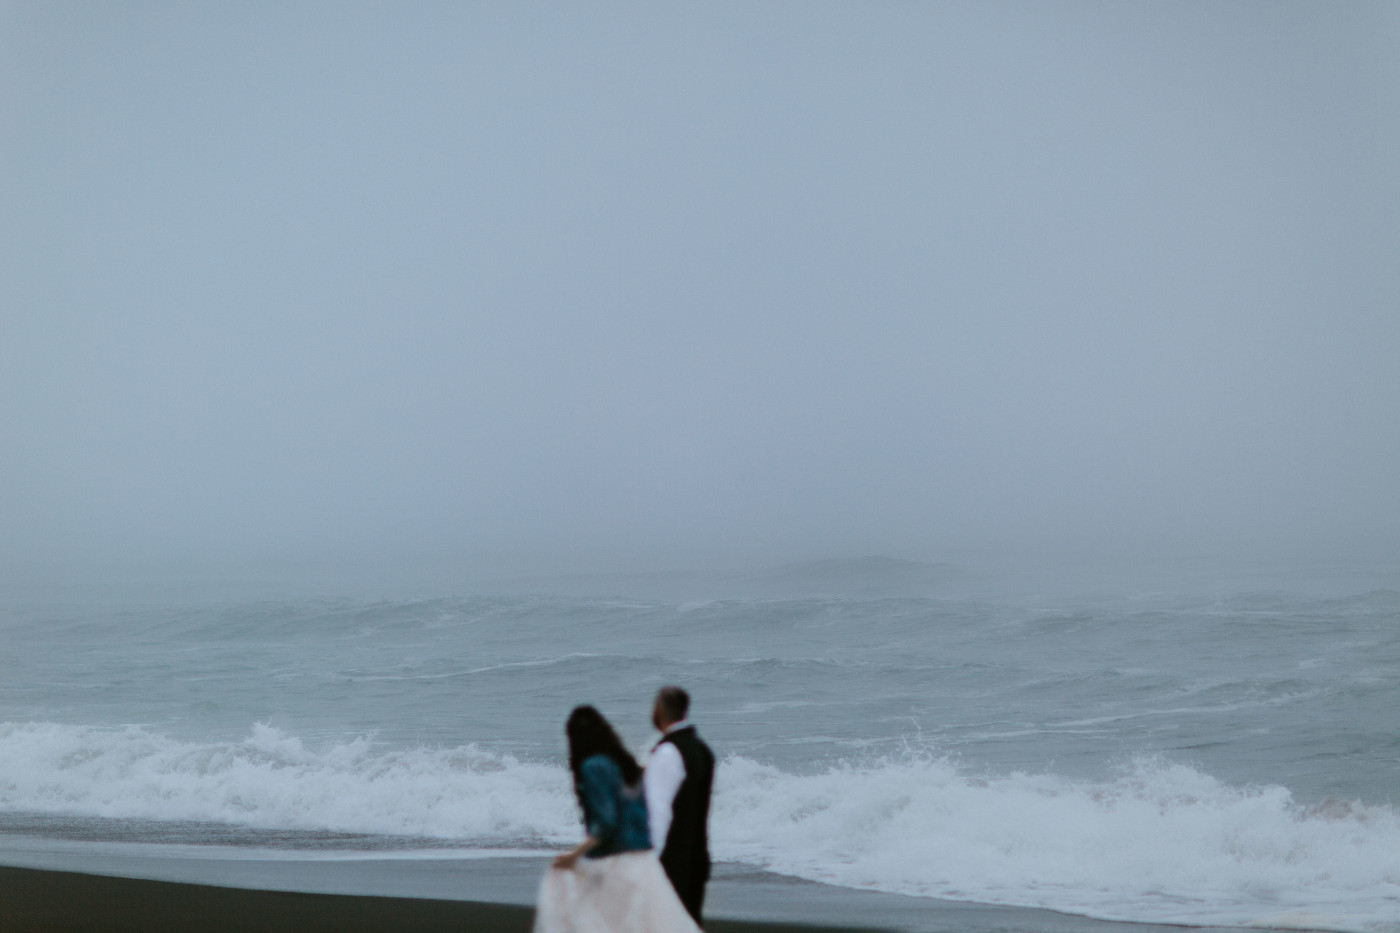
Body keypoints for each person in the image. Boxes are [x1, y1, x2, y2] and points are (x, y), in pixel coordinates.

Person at [534, 706, 700, 933]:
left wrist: (574, 856)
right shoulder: (626, 765)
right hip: (643, 863)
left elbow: (606, 823)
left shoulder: (593, 767)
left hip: (615, 863)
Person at [644, 686, 715, 923]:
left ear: (661, 710)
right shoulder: (701, 750)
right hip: (696, 860)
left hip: (671, 862)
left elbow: (659, 811)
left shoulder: (667, 752)